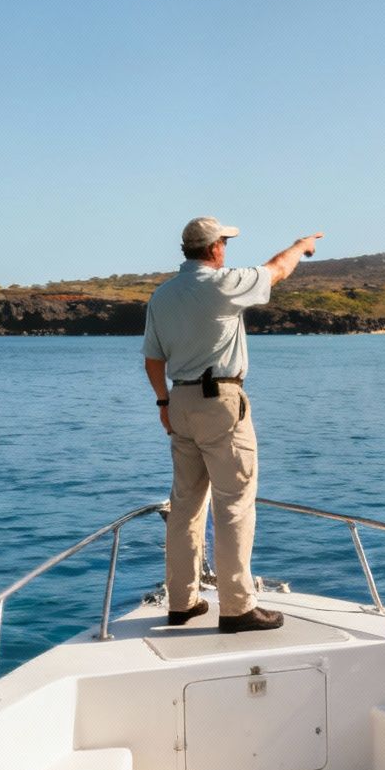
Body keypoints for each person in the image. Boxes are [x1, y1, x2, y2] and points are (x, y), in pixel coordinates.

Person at [142, 216, 322, 634]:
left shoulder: (162, 295)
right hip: (220, 402)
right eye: (224, 241)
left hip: (180, 401)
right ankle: (237, 608)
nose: (226, 247)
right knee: (234, 504)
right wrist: (300, 245)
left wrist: (163, 401)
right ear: (213, 249)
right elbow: (276, 270)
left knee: (185, 507)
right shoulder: (222, 284)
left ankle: (182, 602)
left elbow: (153, 358)